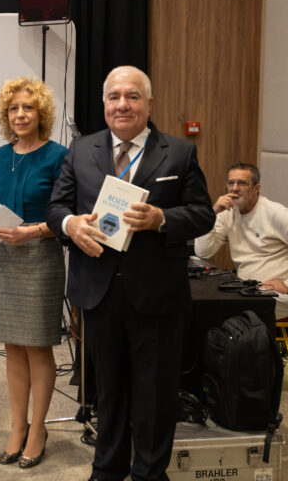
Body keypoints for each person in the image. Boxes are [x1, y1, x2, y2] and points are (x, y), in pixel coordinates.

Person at [46, 66, 215, 481]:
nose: (122, 104)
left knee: (155, 394)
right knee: (107, 389)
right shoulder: (80, 150)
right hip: (98, 291)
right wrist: (70, 224)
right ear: (103, 103)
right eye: (114, 96)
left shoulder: (179, 153)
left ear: (149, 103)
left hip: (156, 295)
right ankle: (107, 469)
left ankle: (149, 474)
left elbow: (203, 214)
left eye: (133, 96)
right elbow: (56, 208)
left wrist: (162, 218)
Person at [0, 77, 68, 469]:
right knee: (12, 345)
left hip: (41, 254)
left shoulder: (59, 155)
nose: (20, 114)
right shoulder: (0, 155)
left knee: (37, 345)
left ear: (41, 112)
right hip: (5, 255)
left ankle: (38, 429)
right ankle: (17, 427)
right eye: (13, 108)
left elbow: (67, 214)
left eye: (28, 107)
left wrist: (33, 231)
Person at [194, 162, 288, 319]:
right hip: (246, 289)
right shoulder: (226, 214)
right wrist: (211, 214)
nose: (234, 188)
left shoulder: (276, 213)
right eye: (231, 183)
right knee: (205, 304)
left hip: (286, 295)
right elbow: (203, 252)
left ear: (256, 188)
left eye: (242, 183)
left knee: (230, 311)